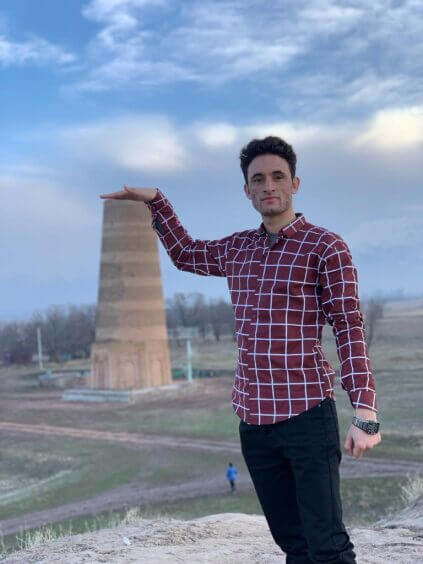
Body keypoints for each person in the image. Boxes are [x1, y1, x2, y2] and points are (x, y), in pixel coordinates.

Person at [100, 135, 381, 563]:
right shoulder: (238, 249)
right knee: (292, 543)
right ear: (247, 190)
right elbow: (186, 254)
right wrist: (157, 201)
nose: (269, 186)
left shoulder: (325, 247)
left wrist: (365, 411)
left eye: (278, 177)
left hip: (306, 415)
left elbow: (348, 326)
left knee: (327, 544)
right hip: (253, 422)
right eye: (258, 179)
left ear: (295, 184)